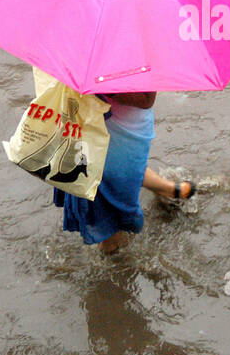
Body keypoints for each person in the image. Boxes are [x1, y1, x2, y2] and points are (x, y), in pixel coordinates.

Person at [53, 91, 195, 254]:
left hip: (120, 131)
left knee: (113, 196)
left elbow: (146, 100)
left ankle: (113, 256)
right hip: (98, 128)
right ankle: (168, 189)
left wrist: (103, 89)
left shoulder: (135, 69)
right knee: (116, 174)